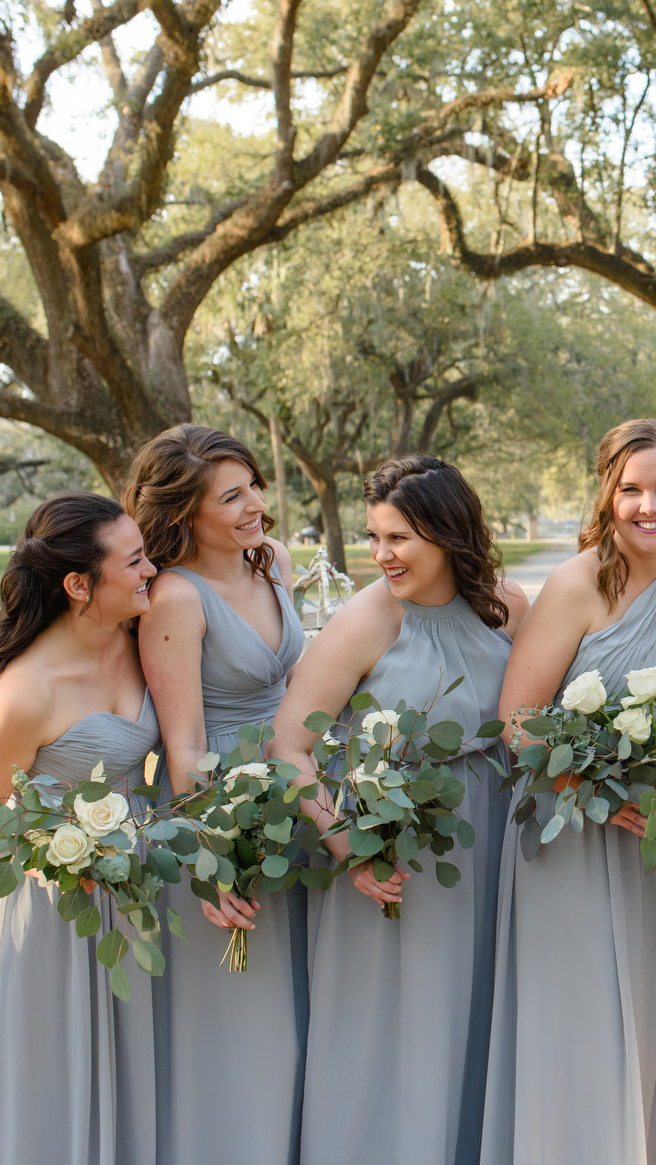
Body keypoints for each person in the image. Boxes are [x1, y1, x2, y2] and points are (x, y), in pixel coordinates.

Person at [269, 456, 527, 1165]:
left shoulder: (505, 605)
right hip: (399, 853)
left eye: (399, 538)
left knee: (477, 1016)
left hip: (494, 840)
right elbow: (289, 745)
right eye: (375, 537)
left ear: (448, 534)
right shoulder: (366, 620)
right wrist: (349, 842)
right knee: (396, 1027)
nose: (381, 555)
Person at [480, 419, 656, 1165]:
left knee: (650, 1015)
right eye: (631, 489)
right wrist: (596, 786)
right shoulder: (579, 582)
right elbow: (517, 721)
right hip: (574, 828)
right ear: (607, 496)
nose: (648, 506)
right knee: (579, 1021)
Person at [0, 493, 162, 1164]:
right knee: (48, 1081)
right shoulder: (26, 688)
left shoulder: (140, 640)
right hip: (47, 909)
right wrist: (57, 863)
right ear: (79, 584)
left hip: (132, 892)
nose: (150, 570)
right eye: (133, 560)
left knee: (133, 1075)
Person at [126, 426, 308, 1165]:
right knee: (242, 1026)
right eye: (231, 497)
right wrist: (210, 857)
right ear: (184, 514)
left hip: (296, 806)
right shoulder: (174, 599)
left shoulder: (274, 564)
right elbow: (182, 746)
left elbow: (299, 692)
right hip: (225, 824)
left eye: (254, 486)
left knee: (298, 1011)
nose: (255, 505)